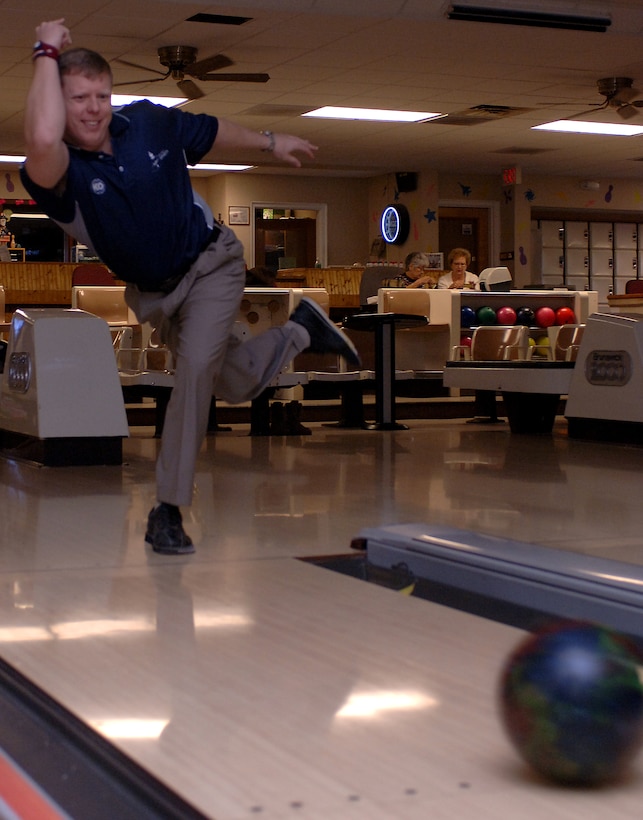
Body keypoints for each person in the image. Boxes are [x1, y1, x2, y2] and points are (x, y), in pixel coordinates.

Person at [21, 18, 360, 555]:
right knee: (232, 382)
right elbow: (41, 136)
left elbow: (209, 129)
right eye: (78, 98)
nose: (93, 108)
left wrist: (270, 141)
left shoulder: (148, 122)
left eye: (101, 95)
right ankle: (300, 332)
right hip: (157, 295)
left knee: (195, 370)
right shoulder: (59, 172)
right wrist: (45, 51)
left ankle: (168, 509)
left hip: (212, 262)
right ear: (58, 102)